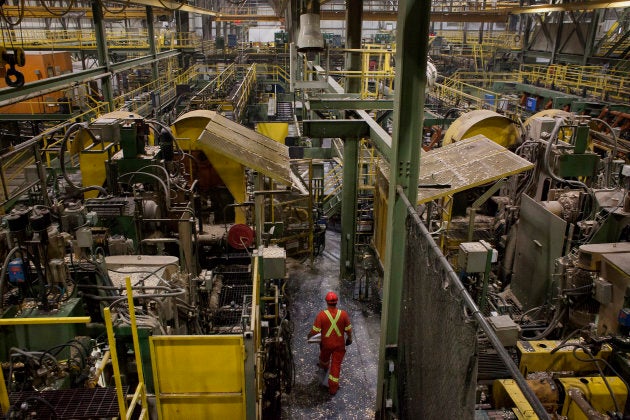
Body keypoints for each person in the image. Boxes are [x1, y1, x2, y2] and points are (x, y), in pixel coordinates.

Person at [307, 291, 353, 395]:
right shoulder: (343, 314)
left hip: (326, 344)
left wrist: (309, 336)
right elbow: (349, 330)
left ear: (326, 302)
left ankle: (324, 367)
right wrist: (349, 339)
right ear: (336, 302)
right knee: (336, 366)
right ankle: (333, 389)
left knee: (324, 357)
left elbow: (315, 330)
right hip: (339, 345)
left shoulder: (321, 315)